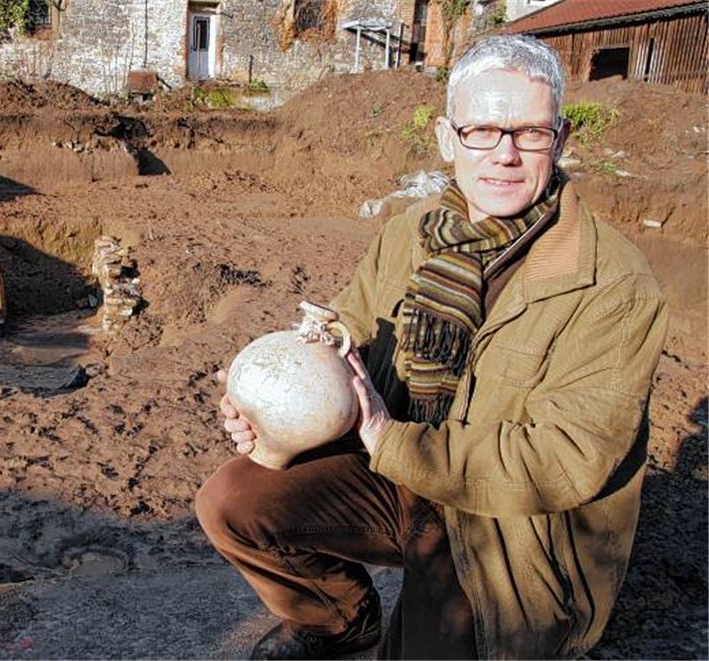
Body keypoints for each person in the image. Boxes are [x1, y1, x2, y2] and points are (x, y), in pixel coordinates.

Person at [195, 34, 667, 659]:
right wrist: (268, 395)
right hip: (400, 471)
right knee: (232, 502)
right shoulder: (411, 234)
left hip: (506, 528)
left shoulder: (612, 284)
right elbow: (349, 332)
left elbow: (567, 459)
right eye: (482, 131)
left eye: (529, 132)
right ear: (448, 138)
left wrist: (390, 439)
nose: (504, 154)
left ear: (561, 139)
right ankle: (339, 620)